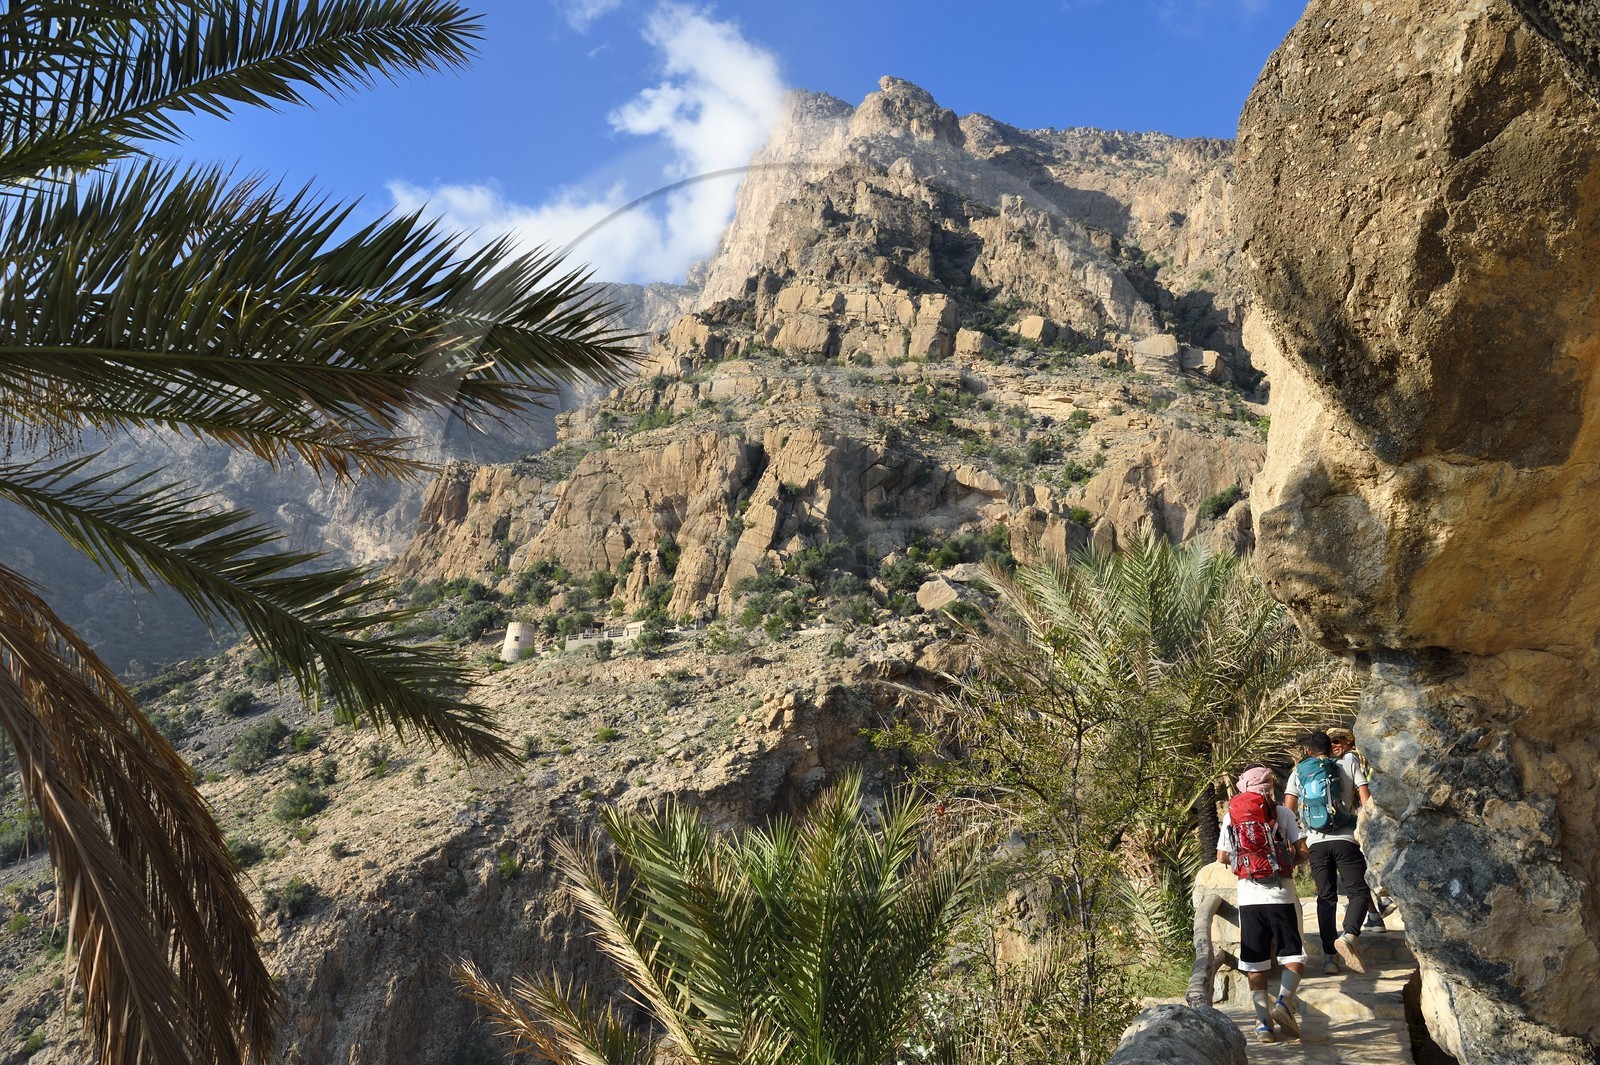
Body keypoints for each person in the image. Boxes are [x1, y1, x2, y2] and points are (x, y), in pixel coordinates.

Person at [1218, 765, 1311, 1043]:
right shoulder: (1283, 812)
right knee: (1293, 957)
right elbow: (1303, 851)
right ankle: (1283, 1002)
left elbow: (1222, 857)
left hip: (1248, 898)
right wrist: (1286, 866)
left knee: (1255, 962)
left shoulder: (1231, 815)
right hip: (1281, 895)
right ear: (1270, 788)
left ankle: (1263, 1025)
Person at [1285, 730, 1373, 975]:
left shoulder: (1299, 772)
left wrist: (1296, 842)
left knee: (1325, 898)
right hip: (1346, 839)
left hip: (1315, 843)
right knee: (1359, 891)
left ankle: (1329, 959)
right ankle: (1349, 935)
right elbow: (1366, 802)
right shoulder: (1348, 764)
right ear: (1333, 748)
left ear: (1309, 751)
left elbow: (1288, 812)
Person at [1328, 726, 1398, 932]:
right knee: (1358, 871)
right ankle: (1375, 915)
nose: (1334, 745)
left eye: (1338, 740)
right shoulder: (1357, 758)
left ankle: (1380, 905)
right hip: (1359, 820)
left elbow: (1361, 792)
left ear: (1348, 741)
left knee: (1356, 873)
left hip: (1355, 821)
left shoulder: (1349, 760)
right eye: (1331, 742)